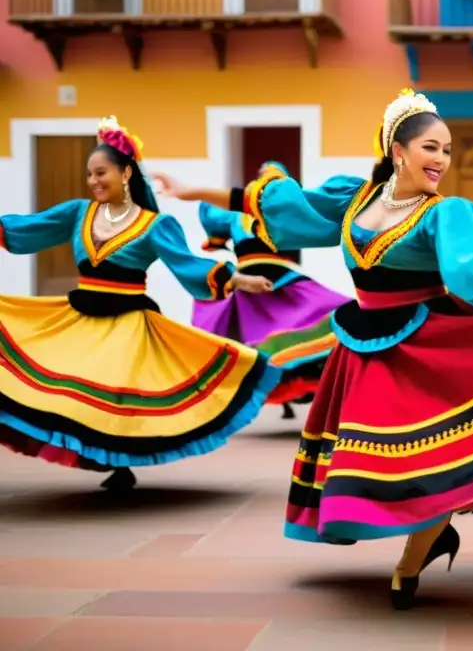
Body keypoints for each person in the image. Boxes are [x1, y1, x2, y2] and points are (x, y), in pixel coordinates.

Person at [151, 89, 473, 609]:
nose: (442, 159)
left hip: (429, 344)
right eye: (431, 147)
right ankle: (430, 535)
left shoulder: (441, 215)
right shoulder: (352, 200)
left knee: (437, 452)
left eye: (447, 150)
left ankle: (413, 555)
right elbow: (278, 203)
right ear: (397, 151)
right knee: (376, 459)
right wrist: (193, 190)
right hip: (363, 347)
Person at [0, 117, 279, 492]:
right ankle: (96, 455)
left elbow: (187, 264)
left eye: (101, 172)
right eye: (90, 174)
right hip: (78, 317)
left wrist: (240, 278)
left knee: (114, 399)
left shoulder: (154, 226)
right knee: (63, 390)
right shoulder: (78, 213)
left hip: (127, 324)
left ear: (126, 172)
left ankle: (118, 463)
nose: (94, 181)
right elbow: (27, 228)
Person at [193, 160, 348, 420]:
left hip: (282, 280)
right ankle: (249, 397)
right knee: (247, 340)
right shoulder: (236, 214)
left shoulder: (285, 213)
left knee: (331, 317)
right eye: (262, 175)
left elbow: (318, 221)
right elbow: (209, 212)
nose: (265, 179)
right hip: (247, 283)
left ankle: (309, 387)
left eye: (273, 178)